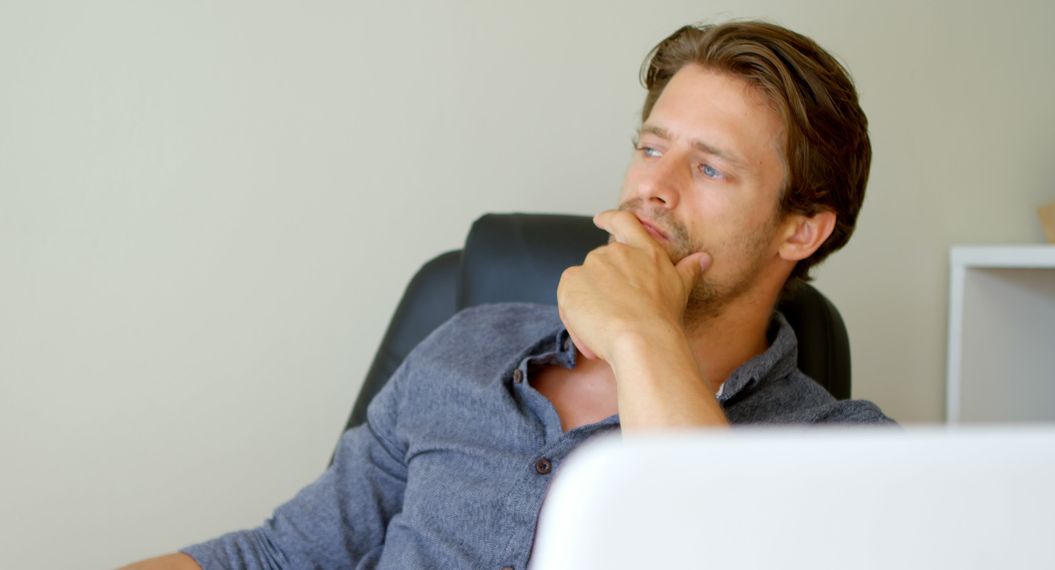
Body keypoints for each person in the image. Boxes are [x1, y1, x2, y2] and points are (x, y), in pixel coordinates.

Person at [124, 19, 892, 570]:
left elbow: (708, 549)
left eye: (710, 167)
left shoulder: (844, 456)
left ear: (802, 230)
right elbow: (283, 555)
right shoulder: (468, 345)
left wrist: (641, 337)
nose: (652, 187)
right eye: (651, 148)